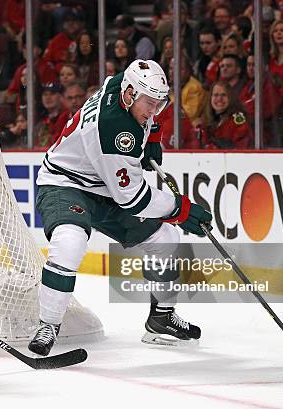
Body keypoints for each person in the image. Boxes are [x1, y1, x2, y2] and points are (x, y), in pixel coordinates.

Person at [29, 60, 212, 356]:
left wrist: (151, 134)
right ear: (129, 95)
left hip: (104, 186)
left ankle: (161, 317)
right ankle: (48, 325)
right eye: (149, 104)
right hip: (66, 182)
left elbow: (143, 112)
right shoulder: (114, 130)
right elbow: (134, 199)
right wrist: (180, 208)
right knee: (70, 241)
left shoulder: (120, 84)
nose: (154, 111)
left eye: (159, 104)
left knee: (165, 240)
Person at [198, 81, 253, 149]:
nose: (219, 99)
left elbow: (242, 145)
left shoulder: (238, 119)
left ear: (230, 97)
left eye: (224, 95)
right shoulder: (206, 119)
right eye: (216, 95)